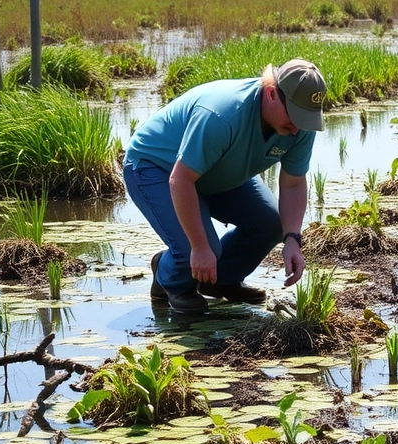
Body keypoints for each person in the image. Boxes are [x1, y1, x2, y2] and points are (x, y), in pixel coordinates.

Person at [123, 59, 327, 314]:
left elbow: (294, 183)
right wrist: (199, 247)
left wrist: (292, 240)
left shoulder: (299, 126)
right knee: (195, 248)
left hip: (217, 171)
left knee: (273, 223)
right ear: (272, 93)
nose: (298, 127)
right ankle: (170, 279)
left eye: (305, 118)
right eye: (295, 115)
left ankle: (220, 281)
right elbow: (181, 179)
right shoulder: (223, 114)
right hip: (157, 169)